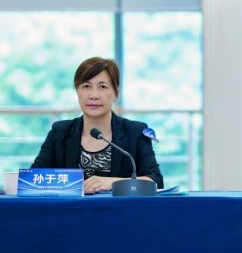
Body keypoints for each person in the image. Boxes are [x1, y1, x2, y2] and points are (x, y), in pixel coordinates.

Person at [32, 57, 163, 194]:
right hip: (71, 208)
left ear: (116, 93)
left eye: (102, 87)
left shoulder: (135, 132)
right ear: (77, 91)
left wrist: (112, 182)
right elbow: (33, 178)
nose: (94, 95)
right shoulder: (60, 132)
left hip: (118, 208)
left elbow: (156, 181)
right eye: (86, 86)